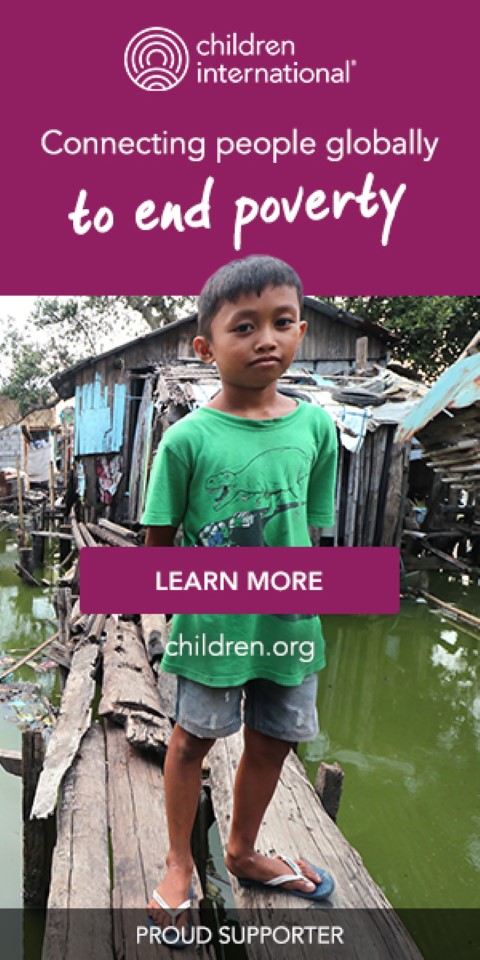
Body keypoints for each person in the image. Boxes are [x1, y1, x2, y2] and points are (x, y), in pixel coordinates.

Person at [143, 255, 338, 936]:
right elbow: (157, 545)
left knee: (273, 740)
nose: (266, 339)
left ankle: (244, 849)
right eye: (244, 326)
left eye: (282, 323)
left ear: (302, 331)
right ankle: (175, 861)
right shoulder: (186, 439)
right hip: (210, 622)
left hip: (289, 620)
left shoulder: (317, 429)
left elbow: (311, 531)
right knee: (191, 740)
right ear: (206, 347)